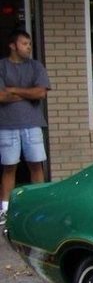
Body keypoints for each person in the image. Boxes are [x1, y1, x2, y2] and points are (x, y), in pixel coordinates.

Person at [0, 29, 51, 225]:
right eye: (24, 44)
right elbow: (1, 96)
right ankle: (5, 210)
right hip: (7, 125)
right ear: (13, 45)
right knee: (9, 167)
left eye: (29, 44)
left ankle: (40, 206)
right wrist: (26, 93)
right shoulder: (2, 67)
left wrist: (13, 90)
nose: (28, 47)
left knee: (36, 165)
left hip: (32, 123)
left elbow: (40, 93)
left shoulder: (36, 67)